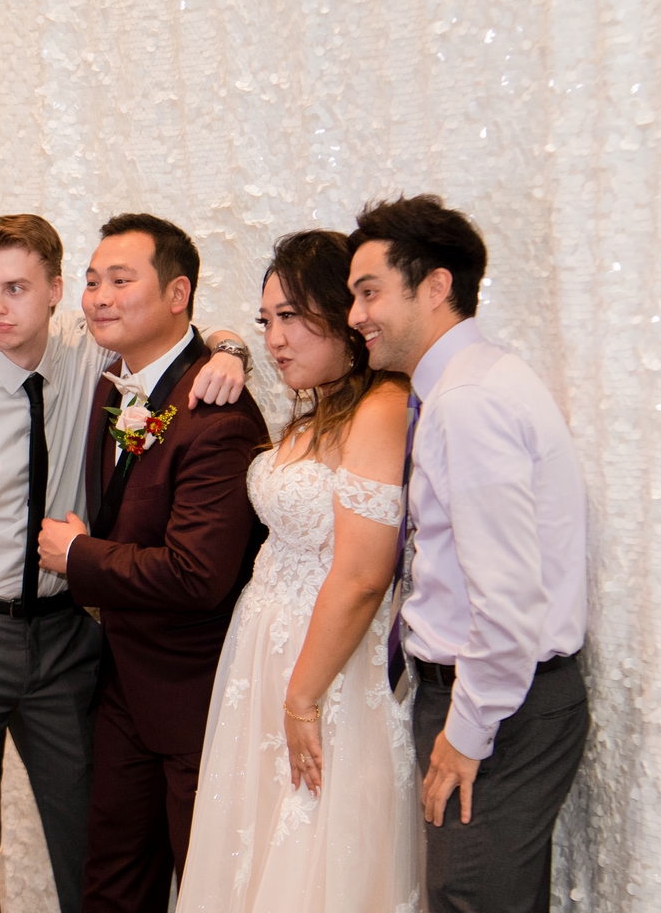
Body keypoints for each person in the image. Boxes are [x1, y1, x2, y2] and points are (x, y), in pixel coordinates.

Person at [0, 213, 251, 913]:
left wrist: (229, 351)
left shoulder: (88, 352)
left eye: (15, 288)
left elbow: (174, 334)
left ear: (55, 292)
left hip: (68, 635)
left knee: (91, 840)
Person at [346, 195, 589, 912]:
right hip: (497, 697)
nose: (356, 315)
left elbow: (508, 598)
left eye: (369, 292)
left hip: (498, 704)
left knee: (468, 899)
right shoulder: (468, 385)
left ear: (436, 286)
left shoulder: (468, 402)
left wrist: (468, 731)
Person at [176, 230, 420, 913]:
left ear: (344, 314)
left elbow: (365, 576)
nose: (275, 340)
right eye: (266, 321)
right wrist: (230, 346)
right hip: (262, 654)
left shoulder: (381, 408)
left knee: (313, 851)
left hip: (331, 667)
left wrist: (302, 698)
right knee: (251, 847)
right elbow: (209, 332)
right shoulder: (314, 409)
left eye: (291, 316)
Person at [37, 213, 268, 913]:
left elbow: (197, 574)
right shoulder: (113, 383)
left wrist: (79, 556)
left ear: (176, 294)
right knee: (112, 881)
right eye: (91, 282)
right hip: (122, 687)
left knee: (204, 886)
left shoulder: (216, 410)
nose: (99, 298)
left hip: (195, 696)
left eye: (120, 280)